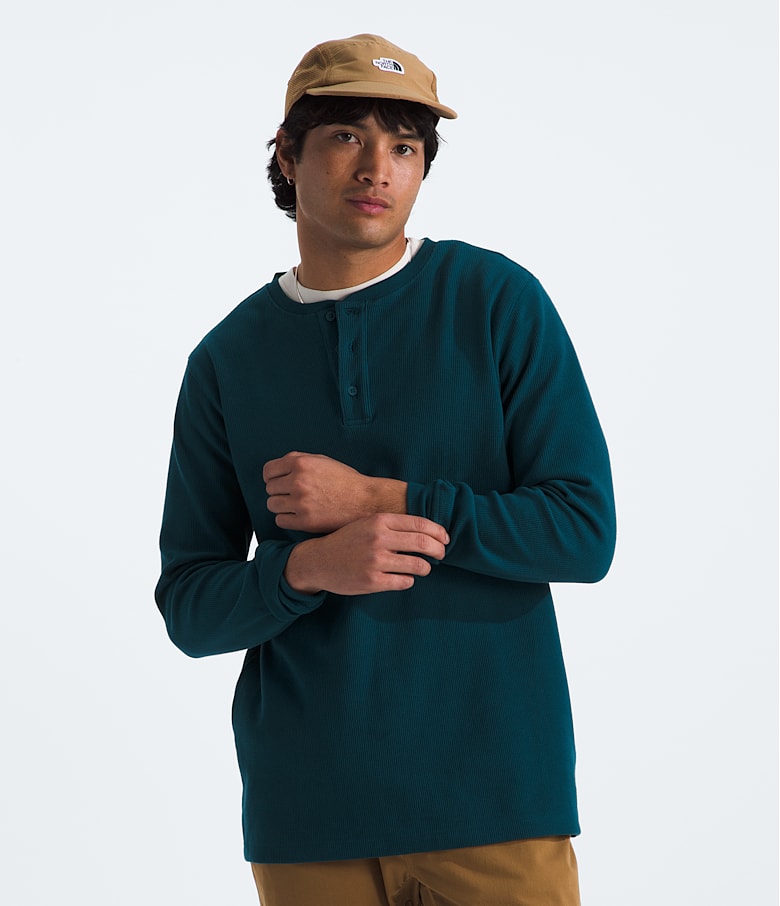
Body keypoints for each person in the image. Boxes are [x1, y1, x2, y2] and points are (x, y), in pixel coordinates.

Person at [155, 33, 616, 906]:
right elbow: (189, 606)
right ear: (287, 155)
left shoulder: (496, 301)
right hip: (307, 816)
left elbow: (583, 532)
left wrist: (380, 500)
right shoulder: (227, 360)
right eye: (346, 137)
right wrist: (306, 568)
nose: (377, 169)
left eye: (404, 146)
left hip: (497, 802)